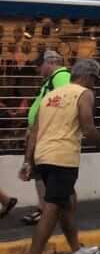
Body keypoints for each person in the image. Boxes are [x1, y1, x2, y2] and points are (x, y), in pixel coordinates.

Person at [17, 58, 100, 254]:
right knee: (52, 208)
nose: (95, 84)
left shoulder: (50, 96)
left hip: (43, 156)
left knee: (67, 203)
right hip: (63, 157)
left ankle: (77, 251)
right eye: (95, 79)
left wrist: (28, 161)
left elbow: (34, 131)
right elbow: (88, 127)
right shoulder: (84, 93)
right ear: (87, 76)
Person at [16, 50, 71, 226]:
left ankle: (49, 211)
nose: (38, 69)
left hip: (46, 134)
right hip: (40, 133)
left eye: (40, 65)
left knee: (46, 174)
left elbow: (64, 105)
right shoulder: (51, 80)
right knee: (39, 174)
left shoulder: (60, 77)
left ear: (51, 62)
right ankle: (45, 209)